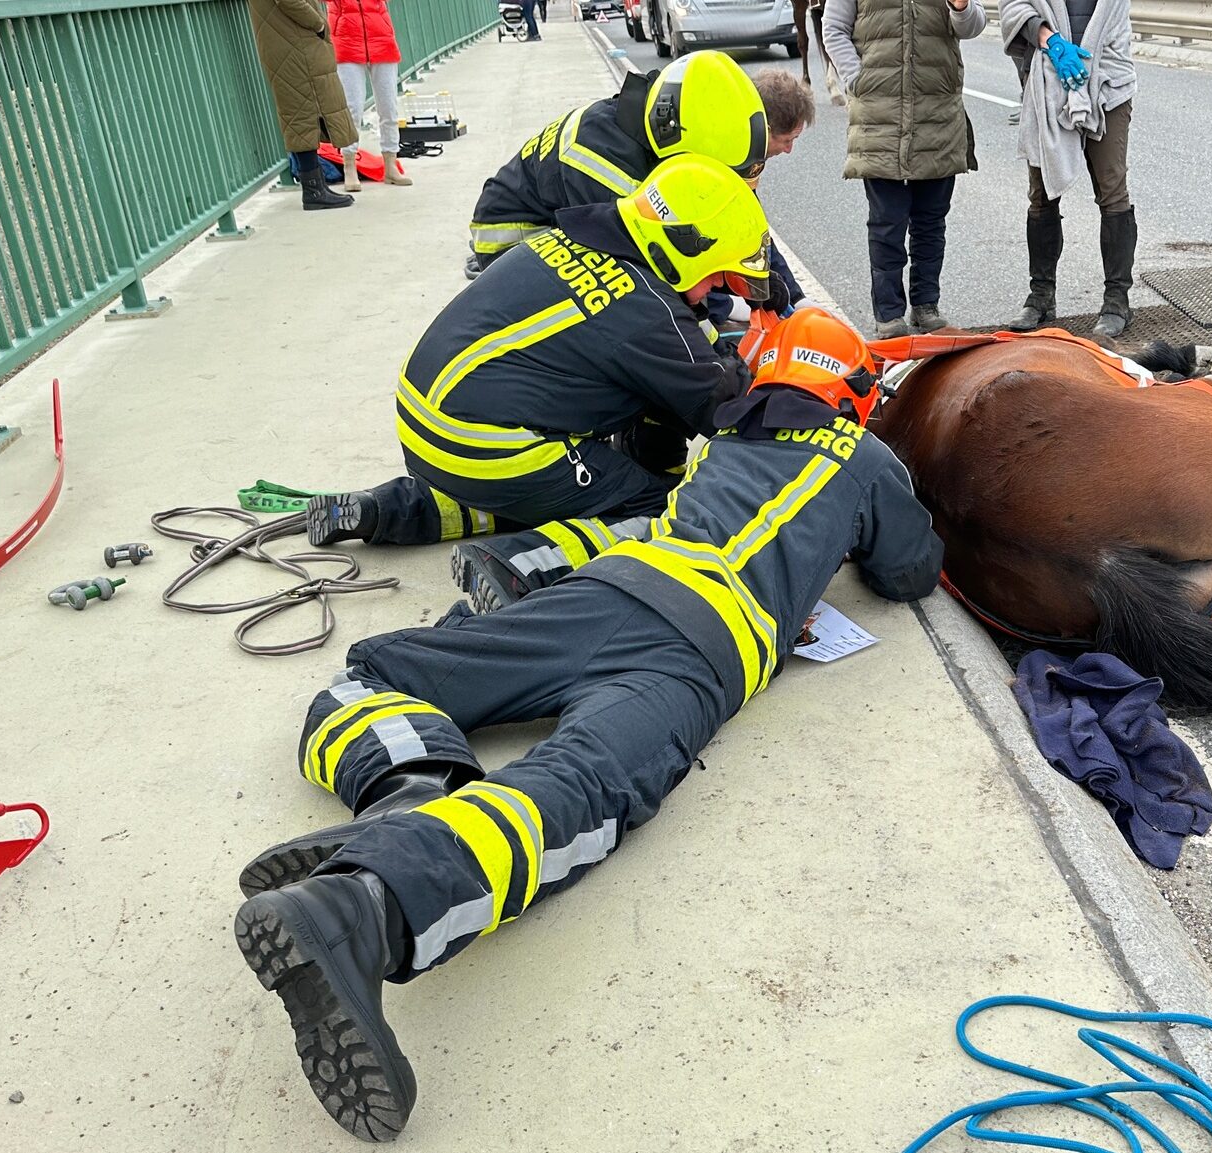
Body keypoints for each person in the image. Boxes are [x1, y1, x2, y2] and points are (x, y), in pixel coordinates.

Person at [233, 308, 944, 1142]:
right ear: (851, 391)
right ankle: (365, 905)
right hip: (700, 648)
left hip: (603, 592)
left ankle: (406, 790)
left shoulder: (718, 443)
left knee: (376, 671)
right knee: (577, 790)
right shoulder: (862, 457)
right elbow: (910, 572)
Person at [305, 156, 771, 548]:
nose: (715, 289)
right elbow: (720, 406)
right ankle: (524, 563)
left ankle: (386, 511)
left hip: (426, 418)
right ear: (685, 249)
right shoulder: (645, 308)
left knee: (560, 486)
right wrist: (769, 368)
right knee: (658, 504)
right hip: (487, 445)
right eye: (716, 274)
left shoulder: (572, 236)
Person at [464, 51, 767, 277]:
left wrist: (773, 283)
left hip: (557, 218)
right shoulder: (609, 171)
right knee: (615, 295)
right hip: (510, 243)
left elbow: (735, 215)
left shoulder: (662, 119)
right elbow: (654, 273)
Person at [822, 0, 984, 339]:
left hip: (937, 113)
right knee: (887, 224)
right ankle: (889, 314)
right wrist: (857, 78)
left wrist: (961, 7)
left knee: (931, 221)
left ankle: (926, 306)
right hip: (880, 115)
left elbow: (972, 26)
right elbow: (834, 28)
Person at [1000, 0, 1137, 337]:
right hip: (1048, 79)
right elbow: (1013, 6)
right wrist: (1050, 40)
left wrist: (1089, 62)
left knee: (1112, 190)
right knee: (1042, 192)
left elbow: (1115, 20)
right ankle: (1041, 296)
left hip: (1107, 80)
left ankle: (1117, 300)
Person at [703, 68, 817, 332]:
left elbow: (755, 234)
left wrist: (795, 297)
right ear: (762, 130)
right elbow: (679, 246)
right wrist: (723, 305)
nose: (789, 150)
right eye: (786, 140)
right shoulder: (714, 161)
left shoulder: (747, 154)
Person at [249, 0, 361, 209]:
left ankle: (315, 186)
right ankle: (313, 190)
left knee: (301, 110)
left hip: (286, 38)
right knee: (302, 112)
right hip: (294, 39)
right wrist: (318, 23)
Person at [327, 0, 414, 191]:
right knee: (353, 108)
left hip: (382, 39)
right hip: (346, 42)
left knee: (388, 107)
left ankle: (390, 164)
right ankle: (349, 165)